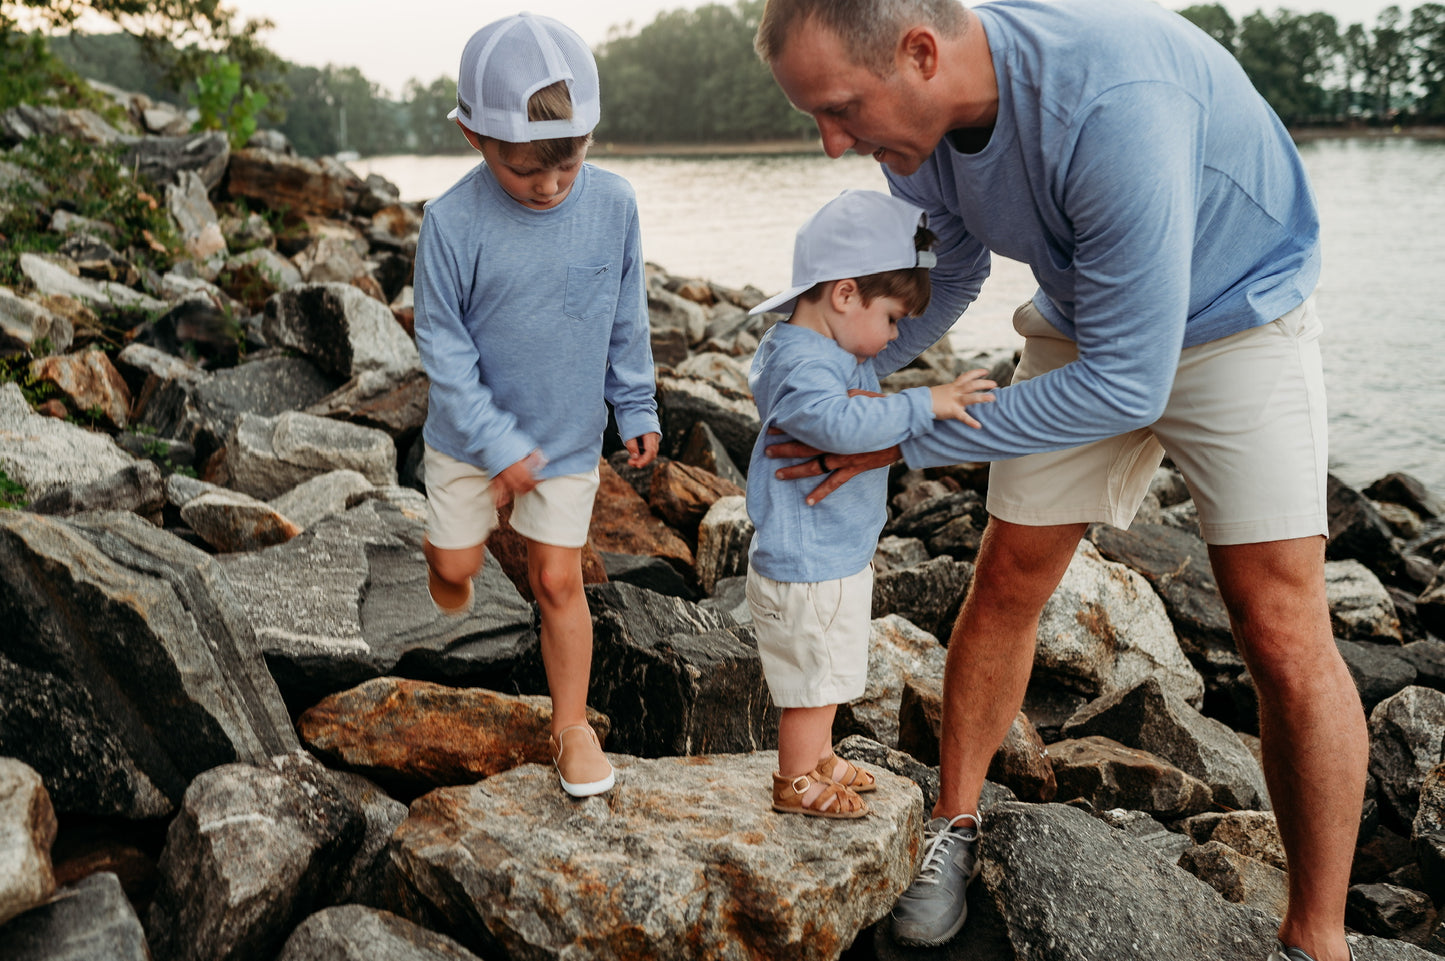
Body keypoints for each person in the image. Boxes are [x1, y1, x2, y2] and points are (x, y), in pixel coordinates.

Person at [753, 1, 1363, 959]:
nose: (835, 144)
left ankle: (1317, 936)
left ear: (919, 53)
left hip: (1241, 317)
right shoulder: (917, 123)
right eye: (819, 119)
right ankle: (954, 825)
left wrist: (893, 437)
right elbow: (947, 268)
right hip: (1091, 314)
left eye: (838, 110)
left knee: (1280, 628)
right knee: (1006, 579)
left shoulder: (1111, 102)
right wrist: (841, 384)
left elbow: (1130, 381)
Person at [412, 12, 661, 799]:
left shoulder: (613, 205)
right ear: (472, 137)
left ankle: (570, 726)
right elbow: (444, 356)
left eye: (570, 160)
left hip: (561, 440)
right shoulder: (450, 224)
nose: (552, 184)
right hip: (468, 439)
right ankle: (450, 556)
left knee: (558, 580)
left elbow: (625, 314)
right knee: (456, 572)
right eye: (527, 170)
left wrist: (639, 405)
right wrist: (493, 445)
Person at [745, 189, 996, 819]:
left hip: (832, 553)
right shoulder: (804, 363)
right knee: (811, 678)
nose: (894, 335)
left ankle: (819, 755)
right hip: (807, 563)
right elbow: (832, 424)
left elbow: (859, 389)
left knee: (826, 670)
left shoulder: (830, 347)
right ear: (845, 294)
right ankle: (796, 780)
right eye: (890, 318)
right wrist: (924, 402)